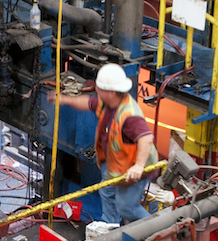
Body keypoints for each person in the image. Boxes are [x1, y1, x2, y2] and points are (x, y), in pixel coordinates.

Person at [55, 63, 157, 224]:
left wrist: (138, 166)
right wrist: (66, 100)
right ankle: (110, 227)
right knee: (107, 191)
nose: (97, 91)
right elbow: (89, 103)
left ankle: (158, 230)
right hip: (116, 164)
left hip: (135, 169)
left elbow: (146, 138)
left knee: (126, 208)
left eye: (100, 89)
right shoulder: (109, 103)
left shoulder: (129, 114)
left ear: (111, 91)